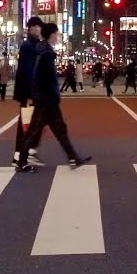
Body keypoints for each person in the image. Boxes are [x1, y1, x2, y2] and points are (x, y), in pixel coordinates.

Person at [16, 23, 89, 172]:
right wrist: (51, 95)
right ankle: (21, 161)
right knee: (35, 131)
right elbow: (45, 79)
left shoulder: (43, 51)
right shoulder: (46, 54)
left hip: (45, 98)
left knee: (58, 129)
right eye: (57, 34)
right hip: (46, 100)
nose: (58, 36)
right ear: (51, 35)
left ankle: (73, 157)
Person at [12, 17, 45, 167]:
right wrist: (30, 94)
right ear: (31, 28)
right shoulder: (28, 46)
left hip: (32, 91)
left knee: (30, 123)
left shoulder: (34, 44)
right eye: (38, 27)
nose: (40, 29)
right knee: (27, 123)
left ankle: (25, 153)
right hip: (28, 92)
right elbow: (28, 72)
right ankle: (21, 155)